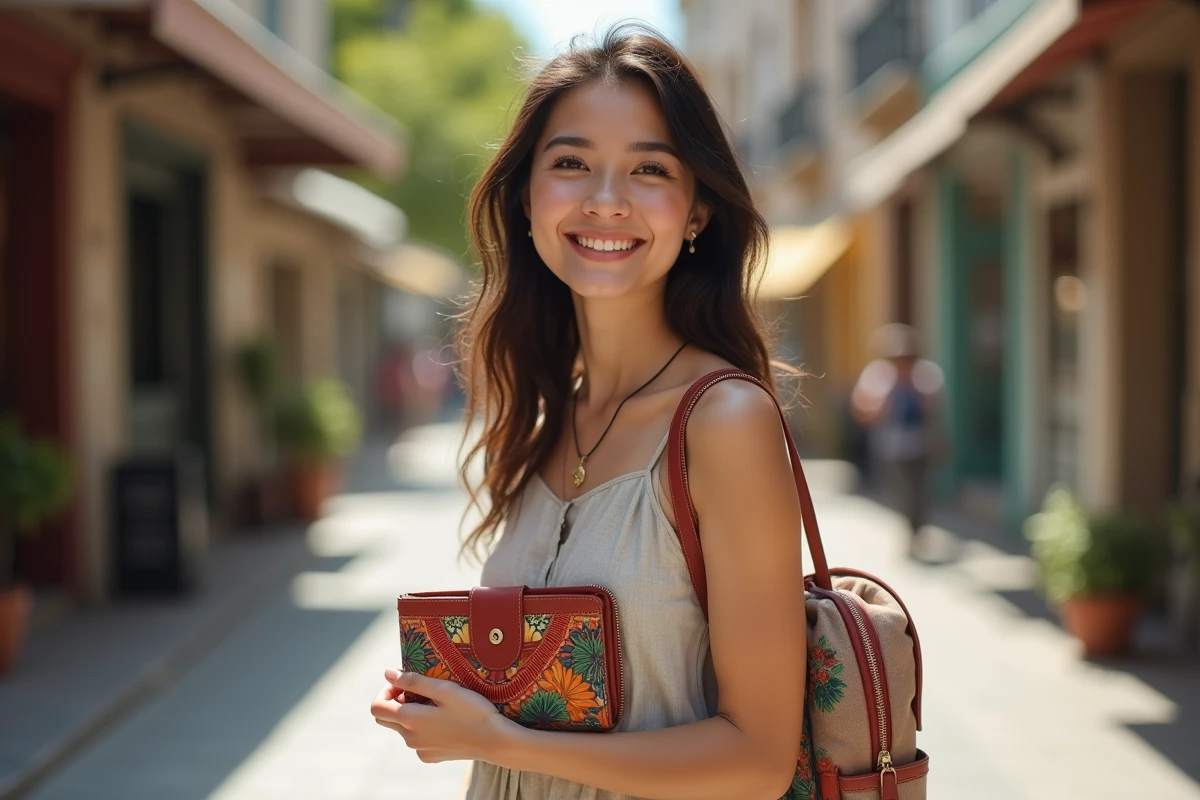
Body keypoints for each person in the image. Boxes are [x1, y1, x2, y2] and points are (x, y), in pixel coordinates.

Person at [370, 24, 807, 800]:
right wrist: (458, 709)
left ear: (697, 211)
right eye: (571, 163)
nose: (606, 201)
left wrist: (504, 741)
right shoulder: (548, 417)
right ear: (527, 201)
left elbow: (759, 760)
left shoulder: (724, 422)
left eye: (649, 169)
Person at [850, 323, 946, 557]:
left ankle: (917, 531)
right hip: (890, 447)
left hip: (920, 444)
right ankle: (909, 532)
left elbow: (936, 408)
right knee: (902, 493)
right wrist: (884, 402)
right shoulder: (877, 375)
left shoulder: (926, 374)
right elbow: (861, 410)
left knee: (920, 492)